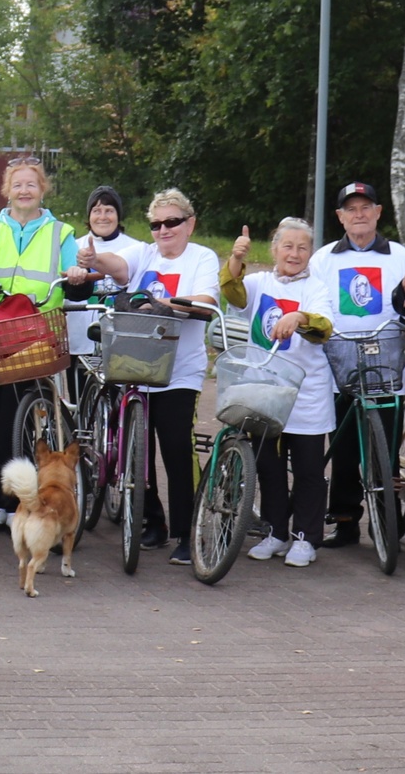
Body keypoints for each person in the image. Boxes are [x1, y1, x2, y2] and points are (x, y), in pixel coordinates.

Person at [0, 157, 98, 532]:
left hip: (32, 333)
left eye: (31, 184)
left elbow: (76, 282)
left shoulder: (60, 232)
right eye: (17, 184)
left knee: (14, 423)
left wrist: (79, 273)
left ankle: (24, 499)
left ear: (42, 189)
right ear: (7, 190)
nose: (24, 190)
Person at [83, 188, 222, 565]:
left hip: (180, 371)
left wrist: (164, 305)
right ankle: (153, 521)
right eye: (156, 224)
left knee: (176, 447)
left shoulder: (201, 258)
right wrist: (95, 257)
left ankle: (185, 531)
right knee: (137, 449)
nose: (163, 230)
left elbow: (207, 302)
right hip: (137, 368)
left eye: (171, 223)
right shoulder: (144, 253)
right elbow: (117, 265)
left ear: (189, 224)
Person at [310, 181, 405, 551]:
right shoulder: (323, 259)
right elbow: (314, 304)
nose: (359, 215)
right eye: (351, 209)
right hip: (340, 365)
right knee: (342, 450)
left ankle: (386, 520)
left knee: (383, 450)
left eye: (365, 208)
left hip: (385, 367)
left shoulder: (401, 257)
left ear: (378, 212)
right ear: (340, 217)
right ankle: (344, 522)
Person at [221, 218, 337, 567]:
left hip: (307, 394)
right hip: (265, 392)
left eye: (302, 247)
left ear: (310, 253)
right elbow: (233, 293)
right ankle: (276, 531)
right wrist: (236, 259)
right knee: (268, 466)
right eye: (288, 246)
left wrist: (299, 317)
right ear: (274, 250)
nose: (295, 253)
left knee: (307, 470)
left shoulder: (316, 287)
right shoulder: (259, 282)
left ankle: (306, 537)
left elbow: (324, 327)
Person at [68, 185, 148, 358]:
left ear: (118, 216)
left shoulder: (136, 248)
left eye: (109, 210)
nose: (103, 217)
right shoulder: (73, 246)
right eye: (97, 210)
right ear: (88, 216)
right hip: (80, 339)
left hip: (122, 340)